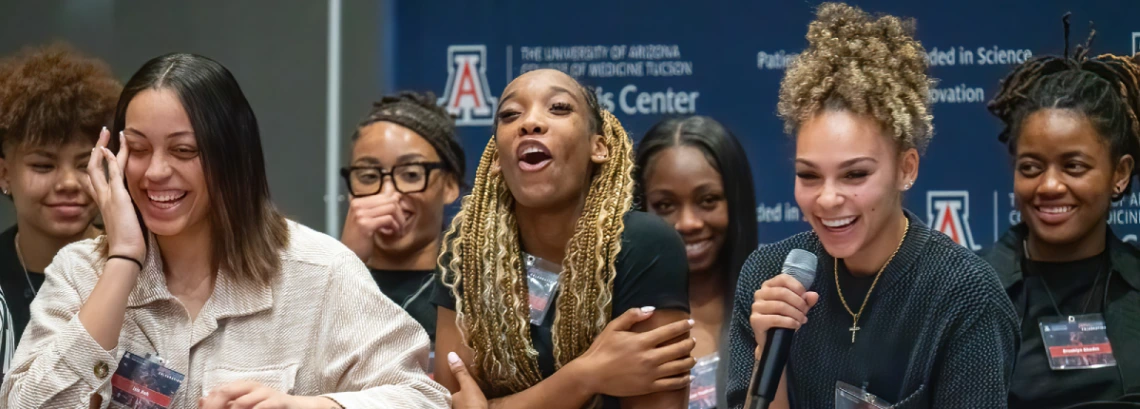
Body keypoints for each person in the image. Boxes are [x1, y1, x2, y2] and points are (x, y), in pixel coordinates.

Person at [0, 53, 449, 408]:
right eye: (137, 149)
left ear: (233, 157)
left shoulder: (318, 270)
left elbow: (423, 398)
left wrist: (312, 407)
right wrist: (122, 260)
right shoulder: (80, 273)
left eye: (183, 150)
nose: (156, 171)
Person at [724, 3, 1019, 408]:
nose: (827, 198)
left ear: (906, 168)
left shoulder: (964, 296)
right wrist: (768, 355)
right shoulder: (767, 279)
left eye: (855, 175)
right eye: (809, 175)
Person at [432, 68, 695, 408]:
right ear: (497, 159)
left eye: (558, 108)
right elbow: (452, 403)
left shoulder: (643, 245)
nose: (530, 123)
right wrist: (585, 376)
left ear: (598, 147)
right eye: (511, 114)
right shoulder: (467, 252)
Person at [983, 17, 1140, 406]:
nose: (1050, 186)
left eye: (1074, 166)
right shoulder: (971, 292)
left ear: (1119, 174)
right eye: (1031, 168)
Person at [0, 43, 120, 381]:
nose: (69, 182)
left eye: (86, 164)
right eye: (43, 165)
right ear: (5, 174)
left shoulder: (134, 266)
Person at [635, 116, 758, 409]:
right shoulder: (611, 316)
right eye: (665, 205)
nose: (688, 223)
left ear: (736, 202)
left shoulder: (776, 314)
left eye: (708, 200)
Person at [341, 91, 465, 341]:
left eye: (411, 174)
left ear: (450, 185)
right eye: (368, 176)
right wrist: (344, 262)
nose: (389, 193)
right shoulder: (316, 282)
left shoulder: (468, 292)